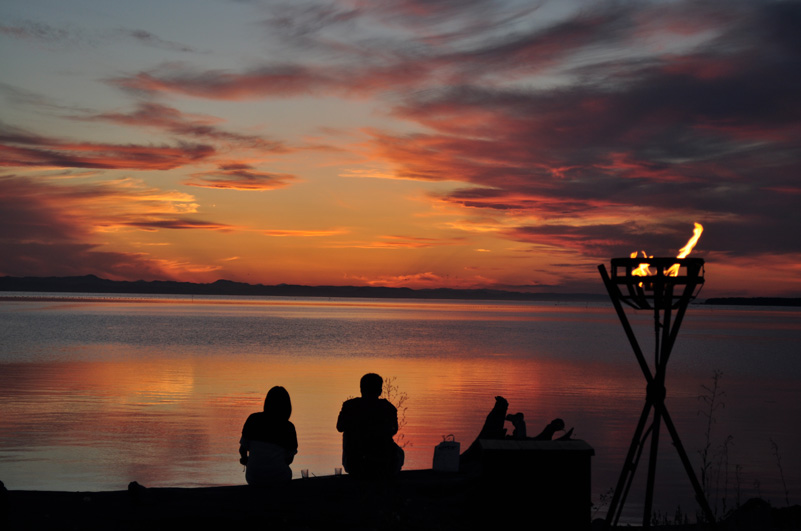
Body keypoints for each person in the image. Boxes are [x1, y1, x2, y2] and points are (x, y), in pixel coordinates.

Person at [336, 373, 404, 478]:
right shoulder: (389, 408)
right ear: (380, 391)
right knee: (398, 452)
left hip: (354, 463)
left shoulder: (349, 406)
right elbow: (393, 431)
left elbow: (339, 427)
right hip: (382, 464)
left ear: (361, 389)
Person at [239, 386, 298, 485]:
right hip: (280, 479)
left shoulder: (253, 419)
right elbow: (289, 459)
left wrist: (246, 460)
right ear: (287, 406)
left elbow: (243, 450)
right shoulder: (288, 427)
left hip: (253, 478)